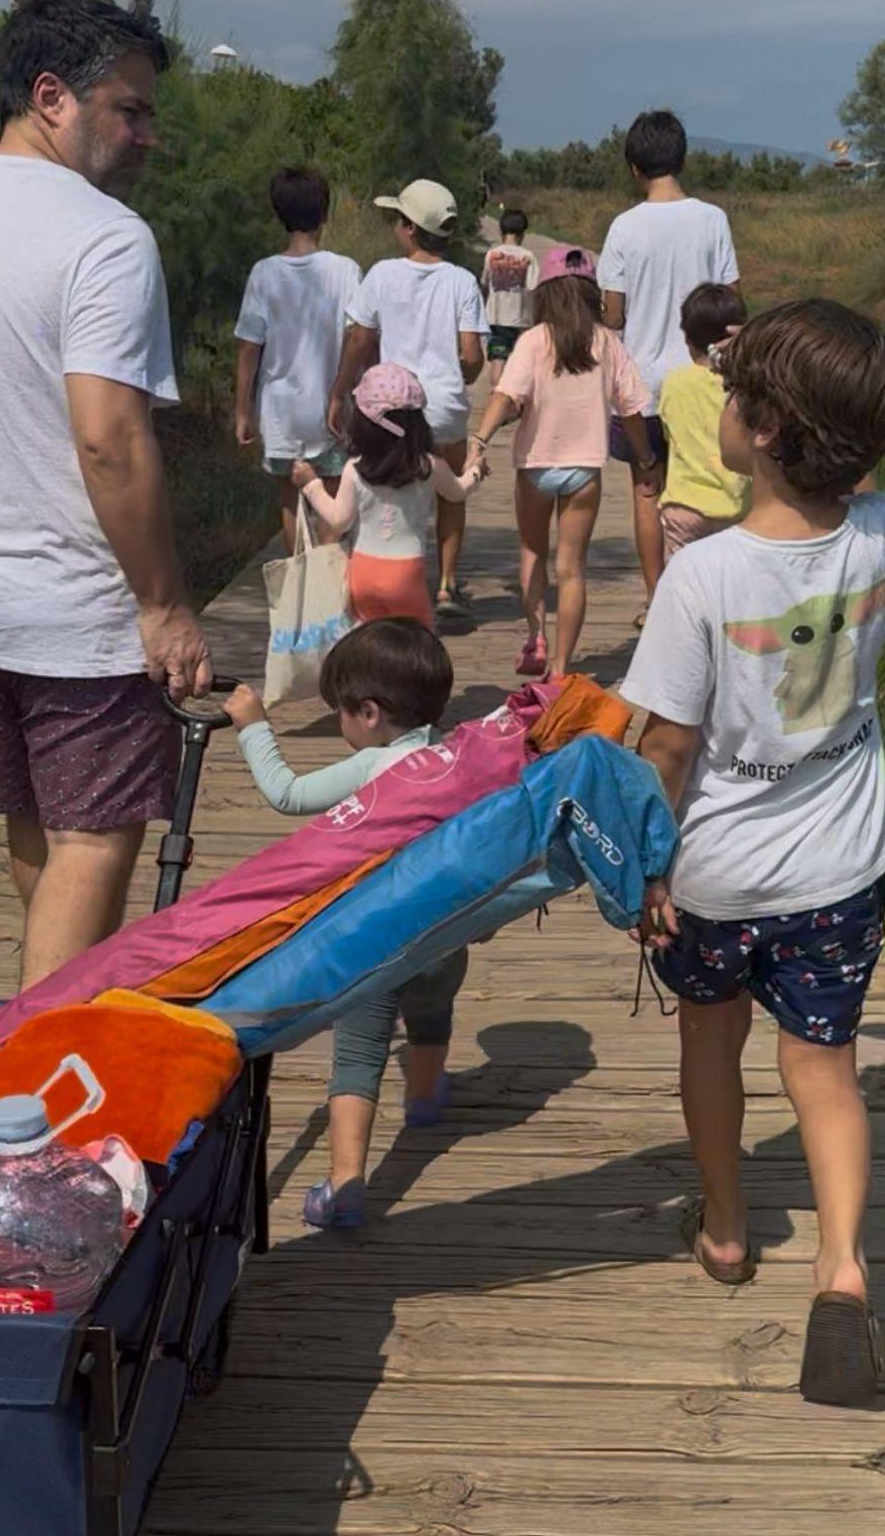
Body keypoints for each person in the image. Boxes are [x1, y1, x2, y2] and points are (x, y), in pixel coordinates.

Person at [622, 300, 885, 1408]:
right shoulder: (875, 536)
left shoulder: (704, 575)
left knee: (712, 1045)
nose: (719, 407)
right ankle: (842, 1266)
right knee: (822, 1069)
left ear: (764, 427)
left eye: (734, 394)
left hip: (717, 883)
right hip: (843, 871)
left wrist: (642, 864)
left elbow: (668, 746)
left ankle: (727, 1230)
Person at [0, 0, 211, 992]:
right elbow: (110, 440)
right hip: (74, 619)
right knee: (93, 841)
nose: (146, 135)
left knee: (34, 826)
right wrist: (166, 603)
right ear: (53, 97)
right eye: (129, 110)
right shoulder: (105, 237)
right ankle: (27, 1102)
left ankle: (39, 1018)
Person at [224, 619, 468, 1229]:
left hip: (375, 941)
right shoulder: (456, 757)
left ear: (368, 712)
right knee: (432, 1013)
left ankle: (346, 1181)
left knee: (357, 1057)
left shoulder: (373, 766)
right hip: (446, 933)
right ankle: (424, 1098)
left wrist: (254, 726)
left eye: (338, 711)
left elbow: (285, 792)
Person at [469, 247, 656, 678]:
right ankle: (560, 666)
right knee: (572, 570)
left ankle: (536, 635)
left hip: (535, 467)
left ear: (545, 294)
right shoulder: (607, 343)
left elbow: (505, 396)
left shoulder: (533, 341)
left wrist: (481, 438)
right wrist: (644, 457)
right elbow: (631, 410)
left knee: (532, 552)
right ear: (591, 294)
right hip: (584, 472)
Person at [598, 111, 741, 623]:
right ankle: (715, 593)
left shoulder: (624, 227)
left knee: (647, 487)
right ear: (682, 158)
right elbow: (731, 303)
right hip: (706, 379)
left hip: (643, 387)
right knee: (710, 484)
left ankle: (657, 597)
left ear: (634, 166)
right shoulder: (712, 219)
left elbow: (613, 313)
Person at [329, 179, 489, 620]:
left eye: (399, 219)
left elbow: (360, 339)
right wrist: (462, 373)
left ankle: (380, 574)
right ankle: (445, 584)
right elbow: (473, 356)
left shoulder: (382, 274)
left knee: (383, 485)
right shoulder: (461, 281)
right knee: (451, 493)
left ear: (411, 229)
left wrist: (340, 392)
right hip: (444, 405)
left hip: (389, 408)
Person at [294, 363, 484, 628]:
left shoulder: (355, 469)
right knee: (416, 646)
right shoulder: (427, 466)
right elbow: (458, 492)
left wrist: (311, 484)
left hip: (364, 570)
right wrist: (474, 469)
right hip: (407, 572)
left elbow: (339, 521)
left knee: (367, 643)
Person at [234, 167, 362, 551]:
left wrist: (242, 409)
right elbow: (359, 337)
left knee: (290, 504)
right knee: (335, 503)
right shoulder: (346, 270)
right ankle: (330, 591)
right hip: (331, 408)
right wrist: (345, 391)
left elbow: (248, 348)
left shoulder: (264, 273)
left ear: (279, 214)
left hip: (280, 412)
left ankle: (300, 581)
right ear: (324, 213)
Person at [658, 283, 750, 560]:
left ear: (687, 338)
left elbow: (668, 431)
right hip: (738, 507)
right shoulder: (746, 387)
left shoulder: (675, 382)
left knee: (685, 589)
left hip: (684, 506)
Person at [481, 207, 540, 388]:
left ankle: (496, 396)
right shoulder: (529, 257)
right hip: (520, 319)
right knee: (518, 361)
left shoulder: (492, 255)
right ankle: (512, 400)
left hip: (496, 317)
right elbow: (533, 288)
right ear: (522, 233)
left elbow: (484, 283)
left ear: (501, 231)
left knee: (498, 359)